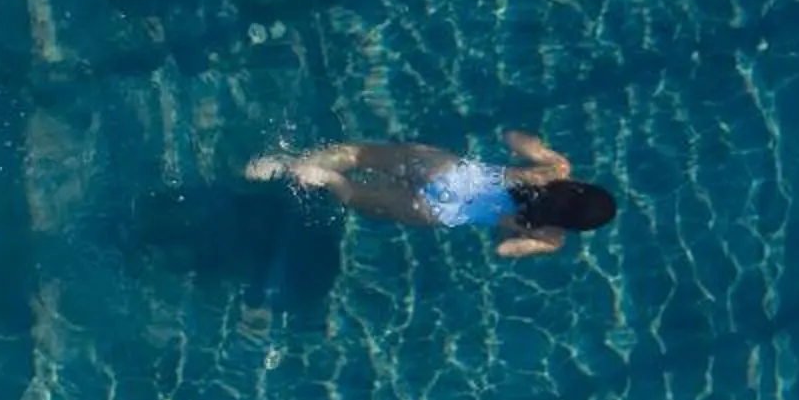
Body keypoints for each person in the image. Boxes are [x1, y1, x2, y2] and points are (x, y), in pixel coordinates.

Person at [244, 130, 616, 259]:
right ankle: (323, 179)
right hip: (438, 211)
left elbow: (511, 138)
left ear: (580, 188)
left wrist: (537, 148)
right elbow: (504, 250)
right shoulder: (551, 238)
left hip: (448, 172)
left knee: (359, 155)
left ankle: (283, 165)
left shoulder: (556, 169)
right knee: (354, 195)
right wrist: (518, 226)